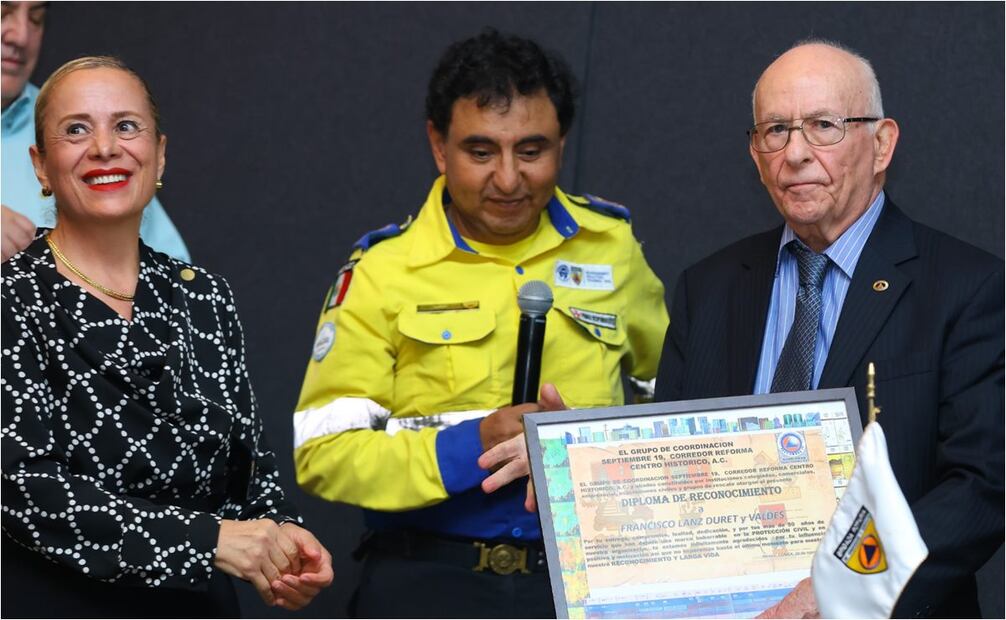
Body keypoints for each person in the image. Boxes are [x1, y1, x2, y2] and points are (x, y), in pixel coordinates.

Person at [293, 29, 668, 618]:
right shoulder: (384, 269)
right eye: (481, 152)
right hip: (428, 583)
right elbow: (324, 454)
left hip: (588, 580)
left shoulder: (612, 249)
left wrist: (595, 451)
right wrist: (474, 444)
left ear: (562, 144)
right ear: (439, 147)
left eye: (531, 150)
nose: (509, 179)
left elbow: (674, 408)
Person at [655, 40, 1003, 618]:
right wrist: (579, 459)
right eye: (775, 130)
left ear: (882, 143)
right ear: (755, 153)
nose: (795, 153)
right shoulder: (708, 287)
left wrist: (844, 584)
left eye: (823, 126)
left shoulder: (968, 287)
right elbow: (672, 461)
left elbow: (983, 486)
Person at [1, 56, 333, 618]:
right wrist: (208, 542)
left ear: (159, 155)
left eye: (126, 126)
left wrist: (283, 541)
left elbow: (248, 474)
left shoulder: (205, 297)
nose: (105, 147)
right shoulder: (12, 295)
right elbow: (23, 489)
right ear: (40, 165)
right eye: (76, 129)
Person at [1, 1, 189, 262]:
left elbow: (168, 276)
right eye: (2, 13)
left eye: (36, 18)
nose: (21, 36)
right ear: (39, 164)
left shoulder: (58, 116)